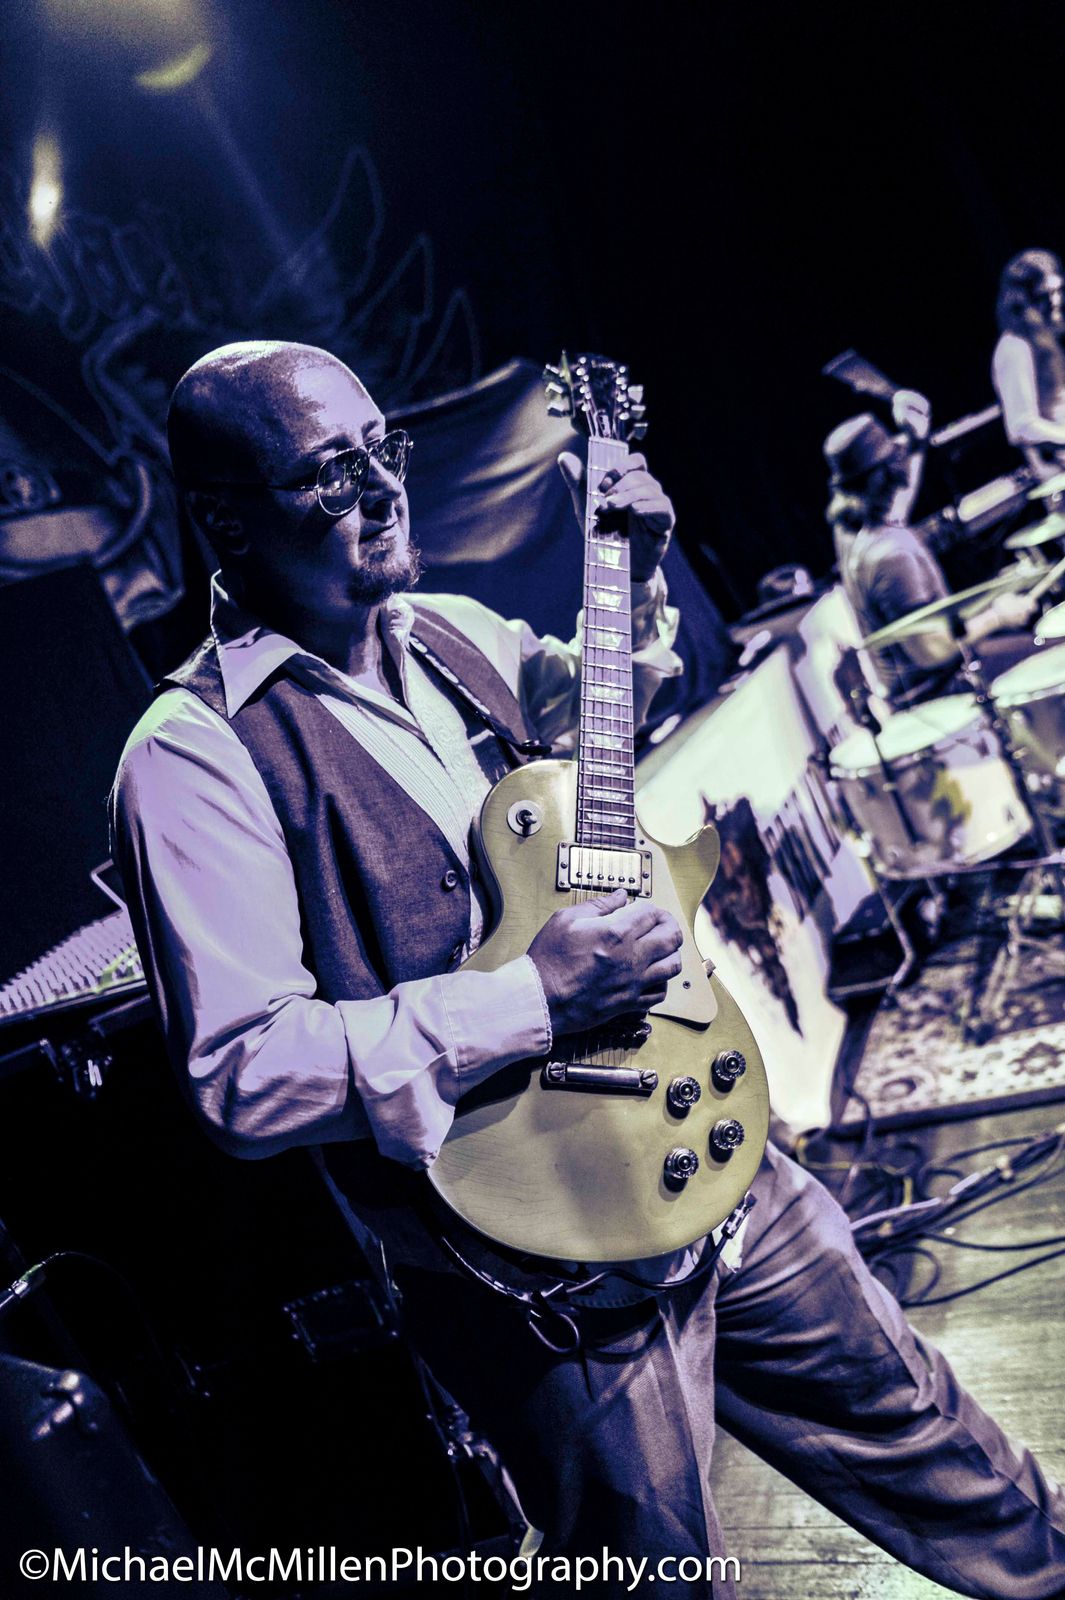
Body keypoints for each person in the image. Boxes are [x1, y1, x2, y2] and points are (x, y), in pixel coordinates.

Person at [112, 341, 1065, 1598]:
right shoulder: (191, 755)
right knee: (652, 1574)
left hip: (708, 1146)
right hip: (533, 1266)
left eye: (384, 449)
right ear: (225, 521)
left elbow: (596, 711)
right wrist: (532, 998)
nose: (385, 489)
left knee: (942, 1443)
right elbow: (243, 1073)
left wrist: (635, 572)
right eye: (332, 475)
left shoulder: (450, 635)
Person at [826, 413, 1036, 704]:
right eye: (896, 458)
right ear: (885, 474)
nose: (903, 463)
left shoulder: (849, 532)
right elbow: (931, 652)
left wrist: (916, 440)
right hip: (940, 688)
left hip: (920, 687)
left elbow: (897, 503)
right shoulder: (892, 556)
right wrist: (999, 615)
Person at [992, 248, 1065, 481]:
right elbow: (1022, 427)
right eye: (1045, 295)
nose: (1055, 302)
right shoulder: (1014, 347)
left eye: (1058, 291)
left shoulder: (1050, 337)